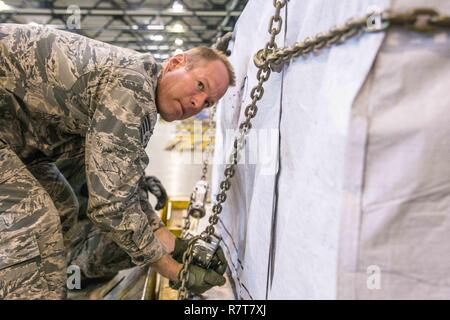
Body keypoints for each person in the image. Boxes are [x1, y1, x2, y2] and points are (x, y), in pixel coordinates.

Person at [0, 23, 235, 299]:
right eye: (199, 85)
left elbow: (124, 187)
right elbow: (111, 205)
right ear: (175, 63)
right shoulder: (132, 87)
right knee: (35, 217)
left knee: (61, 206)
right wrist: (173, 271)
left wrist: (175, 246)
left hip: (13, 132)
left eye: (207, 102)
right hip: (11, 129)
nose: (197, 103)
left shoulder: (141, 91)